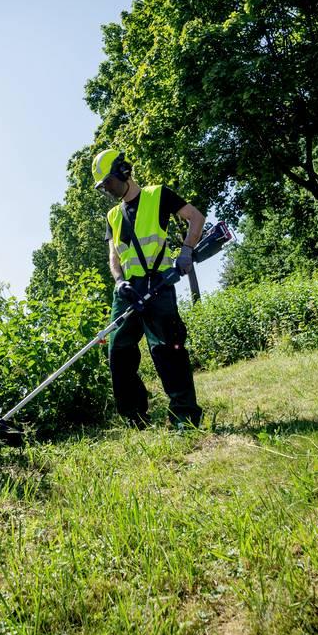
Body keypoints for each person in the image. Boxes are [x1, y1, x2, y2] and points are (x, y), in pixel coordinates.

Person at [91, 147, 205, 429]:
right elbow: (113, 257)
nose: (106, 189)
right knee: (117, 349)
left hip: (159, 283)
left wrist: (187, 250)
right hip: (128, 291)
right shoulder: (113, 216)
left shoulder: (158, 195)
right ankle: (135, 416)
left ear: (123, 172)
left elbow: (196, 218)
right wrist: (119, 281)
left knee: (168, 348)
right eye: (102, 186)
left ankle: (185, 417)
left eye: (108, 182)